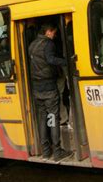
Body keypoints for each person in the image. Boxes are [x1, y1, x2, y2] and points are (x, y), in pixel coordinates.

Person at [28, 23, 72, 161]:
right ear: (48, 32)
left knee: (42, 119)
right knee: (53, 118)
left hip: (36, 87)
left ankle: (46, 152)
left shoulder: (32, 45)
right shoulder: (48, 44)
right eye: (54, 32)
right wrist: (67, 62)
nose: (55, 35)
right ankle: (57, 152)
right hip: (48, 87)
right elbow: (51, 60)